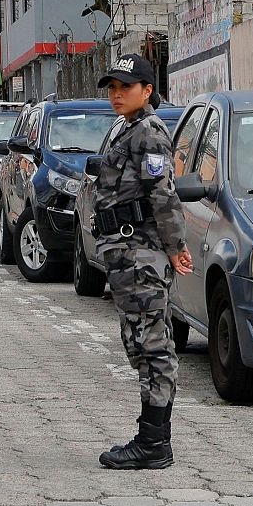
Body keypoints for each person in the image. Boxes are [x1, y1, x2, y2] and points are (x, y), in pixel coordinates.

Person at [89, 54, 193, 470]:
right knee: (139, 342)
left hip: (143, 255)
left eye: (126, 87)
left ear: (147, 91)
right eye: (112, 87)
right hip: (127, 255)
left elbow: (163, 195)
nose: (116, 94)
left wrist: (175, 246)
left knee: (153, 346)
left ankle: (154, 442)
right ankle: (151, 438)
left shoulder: (148, 131)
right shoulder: (126, 128)